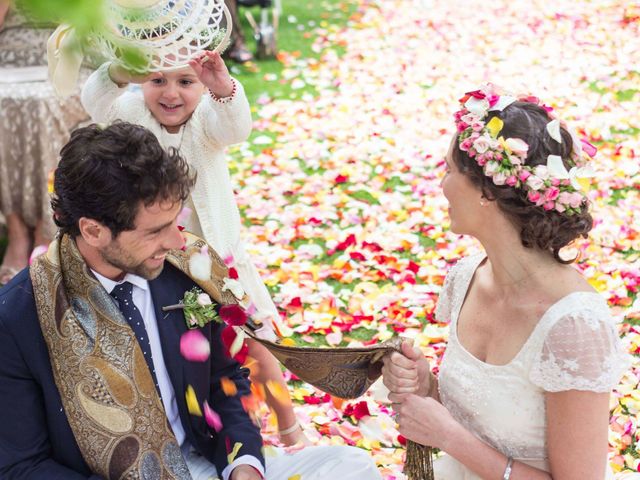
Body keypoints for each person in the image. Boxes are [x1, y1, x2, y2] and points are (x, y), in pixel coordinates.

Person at [0, 122, 382, 480]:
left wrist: (244, 466)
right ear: (93, 230)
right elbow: (23, 466)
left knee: (352, 466)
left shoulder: (184, 269)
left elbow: (224, 378)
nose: (177, 242)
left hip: (202, 463)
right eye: (156, 231)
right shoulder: (19, 317)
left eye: (174, 221)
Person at [382, 86, 628, 479]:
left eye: (448, 170)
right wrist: (427, 387)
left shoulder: (574, 326)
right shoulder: (466, 278)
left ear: (485, 189)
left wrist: (448, 437)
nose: (441, 184)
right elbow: (483, 417)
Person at [81, 51, 307, 445]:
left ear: (202, 86)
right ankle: (197, 429)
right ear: (141, 83)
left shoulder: (207, 118)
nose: (171, 94)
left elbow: (237, 128)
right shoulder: (133, 113)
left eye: (185, 82)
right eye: (156, 80)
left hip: (217, 259)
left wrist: (223, 89)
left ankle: (289, 427)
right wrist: (119, 71)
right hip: (160, 264)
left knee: (257, 344)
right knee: (187, 353)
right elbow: (95, 101)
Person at [0, 0, 88, 285]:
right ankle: (16, 230)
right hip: (9, 56)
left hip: (70, 56)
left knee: (40, 104)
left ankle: (45, 229)